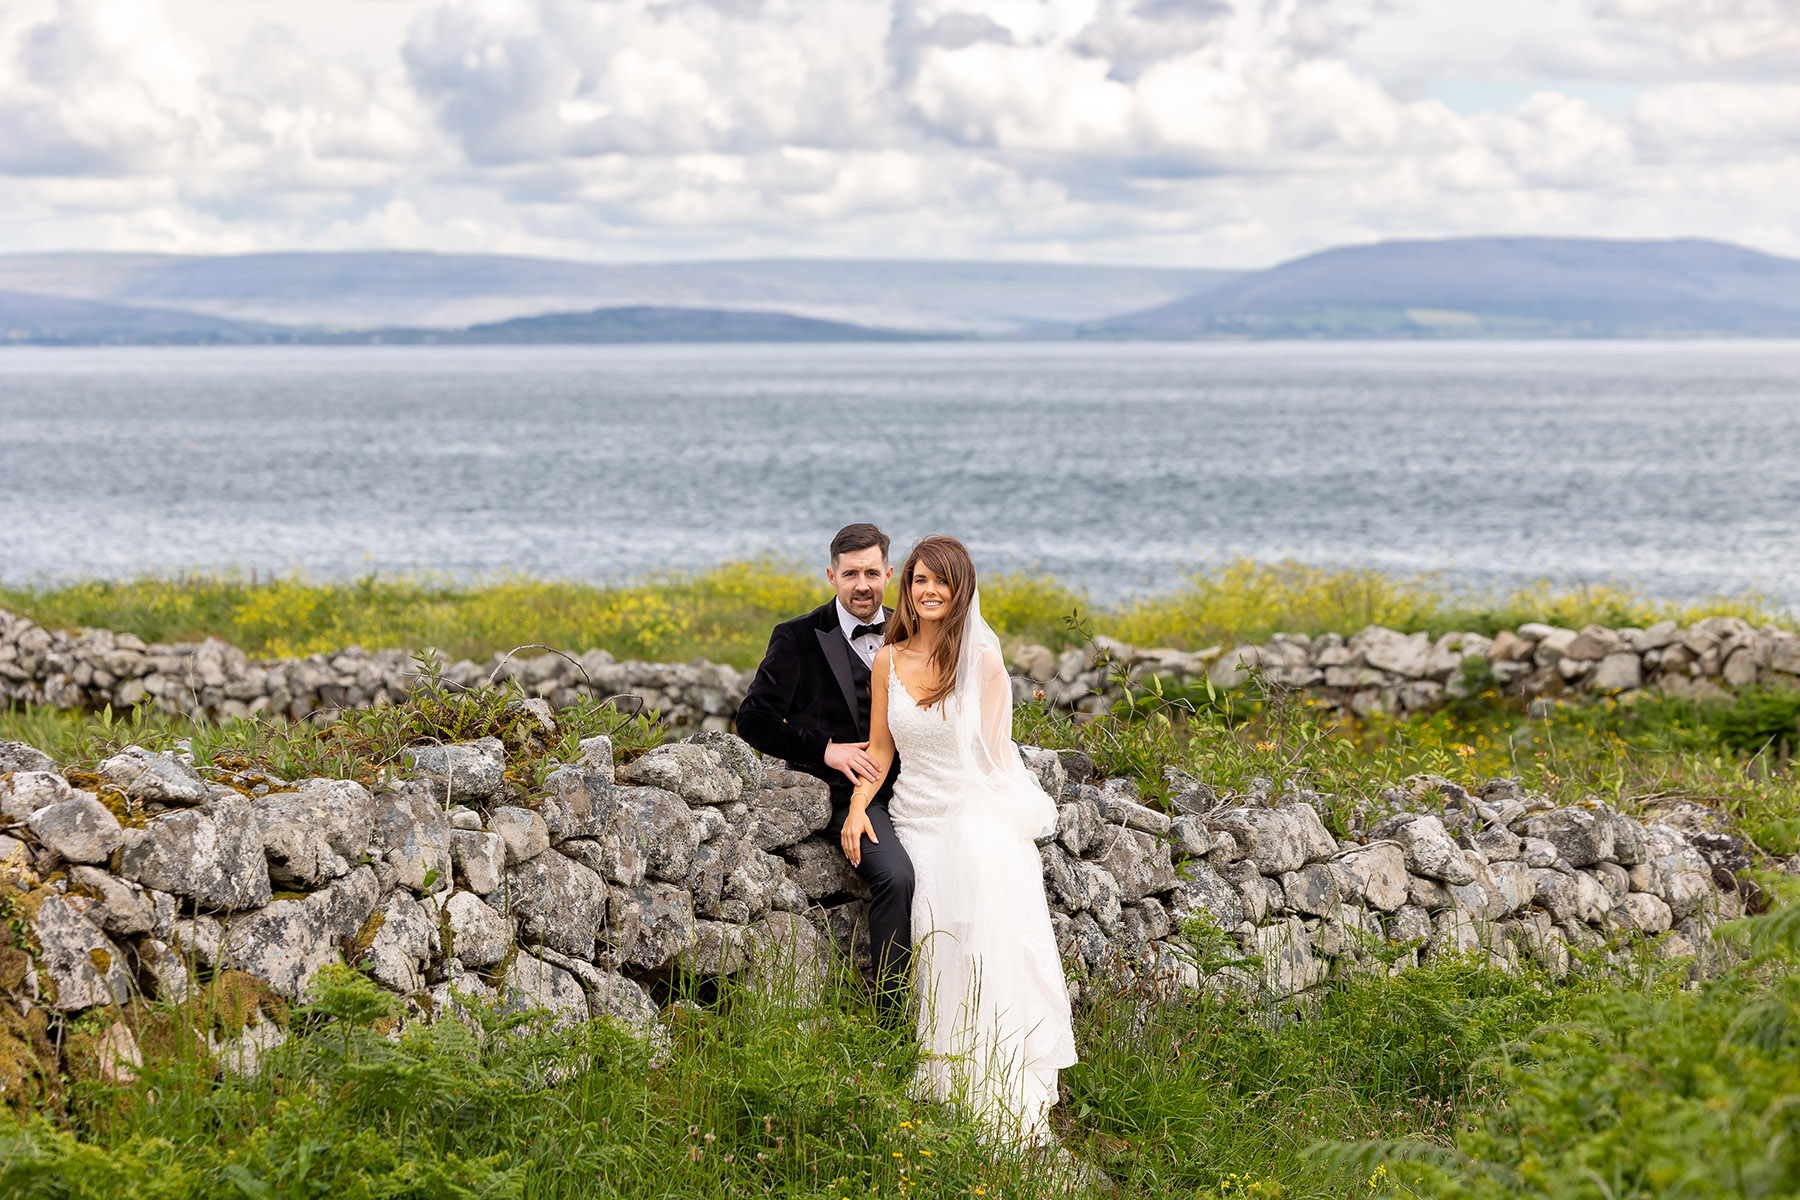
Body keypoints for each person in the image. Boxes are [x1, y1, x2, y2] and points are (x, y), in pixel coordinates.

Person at [846, 534, 1077, 1145]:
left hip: (969, 808)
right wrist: (856, 808)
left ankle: (990, 1070)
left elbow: (998, 758)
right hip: (913, 812)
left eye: (941, 582)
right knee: (924, 918)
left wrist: (996, 823)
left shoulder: (982, 661)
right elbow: (879, 750)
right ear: (907, 588)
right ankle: (933, 1065)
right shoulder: (888, 661)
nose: (928, 592)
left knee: (978, 882)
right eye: (919, 580)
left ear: (960, 590)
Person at [736, 523, 916, 1011]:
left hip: (920, 787)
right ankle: (891, 1018)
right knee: (897, 876)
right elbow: (752, 719)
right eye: (852, 573)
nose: (863, 584)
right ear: (831, 576)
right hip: (849, 793)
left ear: (890, 574)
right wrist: (827, 749)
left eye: (873, 573)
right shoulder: (795, 637)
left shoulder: (914, 630)